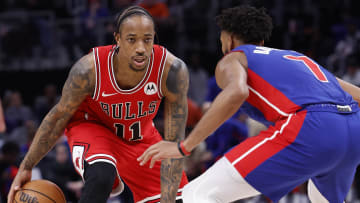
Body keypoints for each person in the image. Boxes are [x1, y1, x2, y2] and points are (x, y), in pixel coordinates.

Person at [138, 5, 360, 203]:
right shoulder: (298, 58)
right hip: (353, 129)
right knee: (320, 198)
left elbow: (237, 92)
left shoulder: (234, 58)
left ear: (230, 39)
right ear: (261, 41)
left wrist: (184, 146)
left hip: (310, 126)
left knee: (198, 194)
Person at [8, 6, 189, 203]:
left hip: (139, 137)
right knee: (102, 175)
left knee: (178, 199)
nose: (140, 48)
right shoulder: (89, 69)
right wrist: (27, 166)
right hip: (92, 126)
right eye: (131, 39)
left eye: (147, 39)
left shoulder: (172, 70)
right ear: (117, 38)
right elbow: (58, 117)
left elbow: (173, 143)